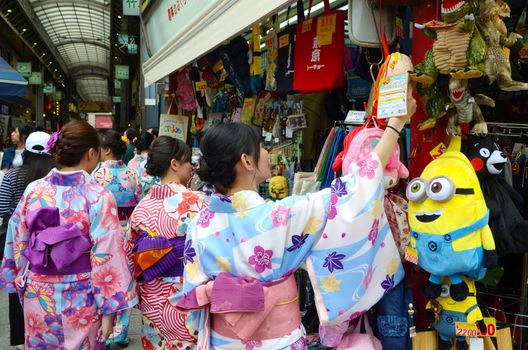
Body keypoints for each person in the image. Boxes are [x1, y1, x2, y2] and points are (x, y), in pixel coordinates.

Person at [176, 96, 417, 349]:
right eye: (261, 147)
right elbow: (355, 188)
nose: (267, 153)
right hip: (279, 342)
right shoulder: (280, 216)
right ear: (247, 161)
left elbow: (194, 305)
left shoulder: (199, 224)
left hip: (222, 341)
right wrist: (396, 125)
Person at [0, 120, 137, 349]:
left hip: (38, 292)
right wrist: (108, 312)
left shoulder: (34, 190)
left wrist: (20, 281)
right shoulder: (98, 196)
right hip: (82, 296)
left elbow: (19, 241)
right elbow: (107, 256)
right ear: (92, 153)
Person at [128, 136, 208, 349]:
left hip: (152, 296)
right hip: (188, 293)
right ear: (175, 164)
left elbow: (130, 257)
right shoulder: (198, 202)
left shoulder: (141, 208)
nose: (191, 167)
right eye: (188, 161)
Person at [0, 131, 54, 349]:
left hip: (17, 243)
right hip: (49, 244)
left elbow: (3, 208)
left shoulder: (13, 175)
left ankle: (21, 339)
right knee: (44, 287)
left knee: (17, 288)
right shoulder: (53, 177)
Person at [92, 129, 142, 347]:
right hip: (127, 229)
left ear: (107, 150)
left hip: (103, 231)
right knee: (125, 278)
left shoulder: (96, 175)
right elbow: (138, 199)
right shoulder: (131, 173)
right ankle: (121, 331)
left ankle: (102, 328)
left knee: (104, 277)